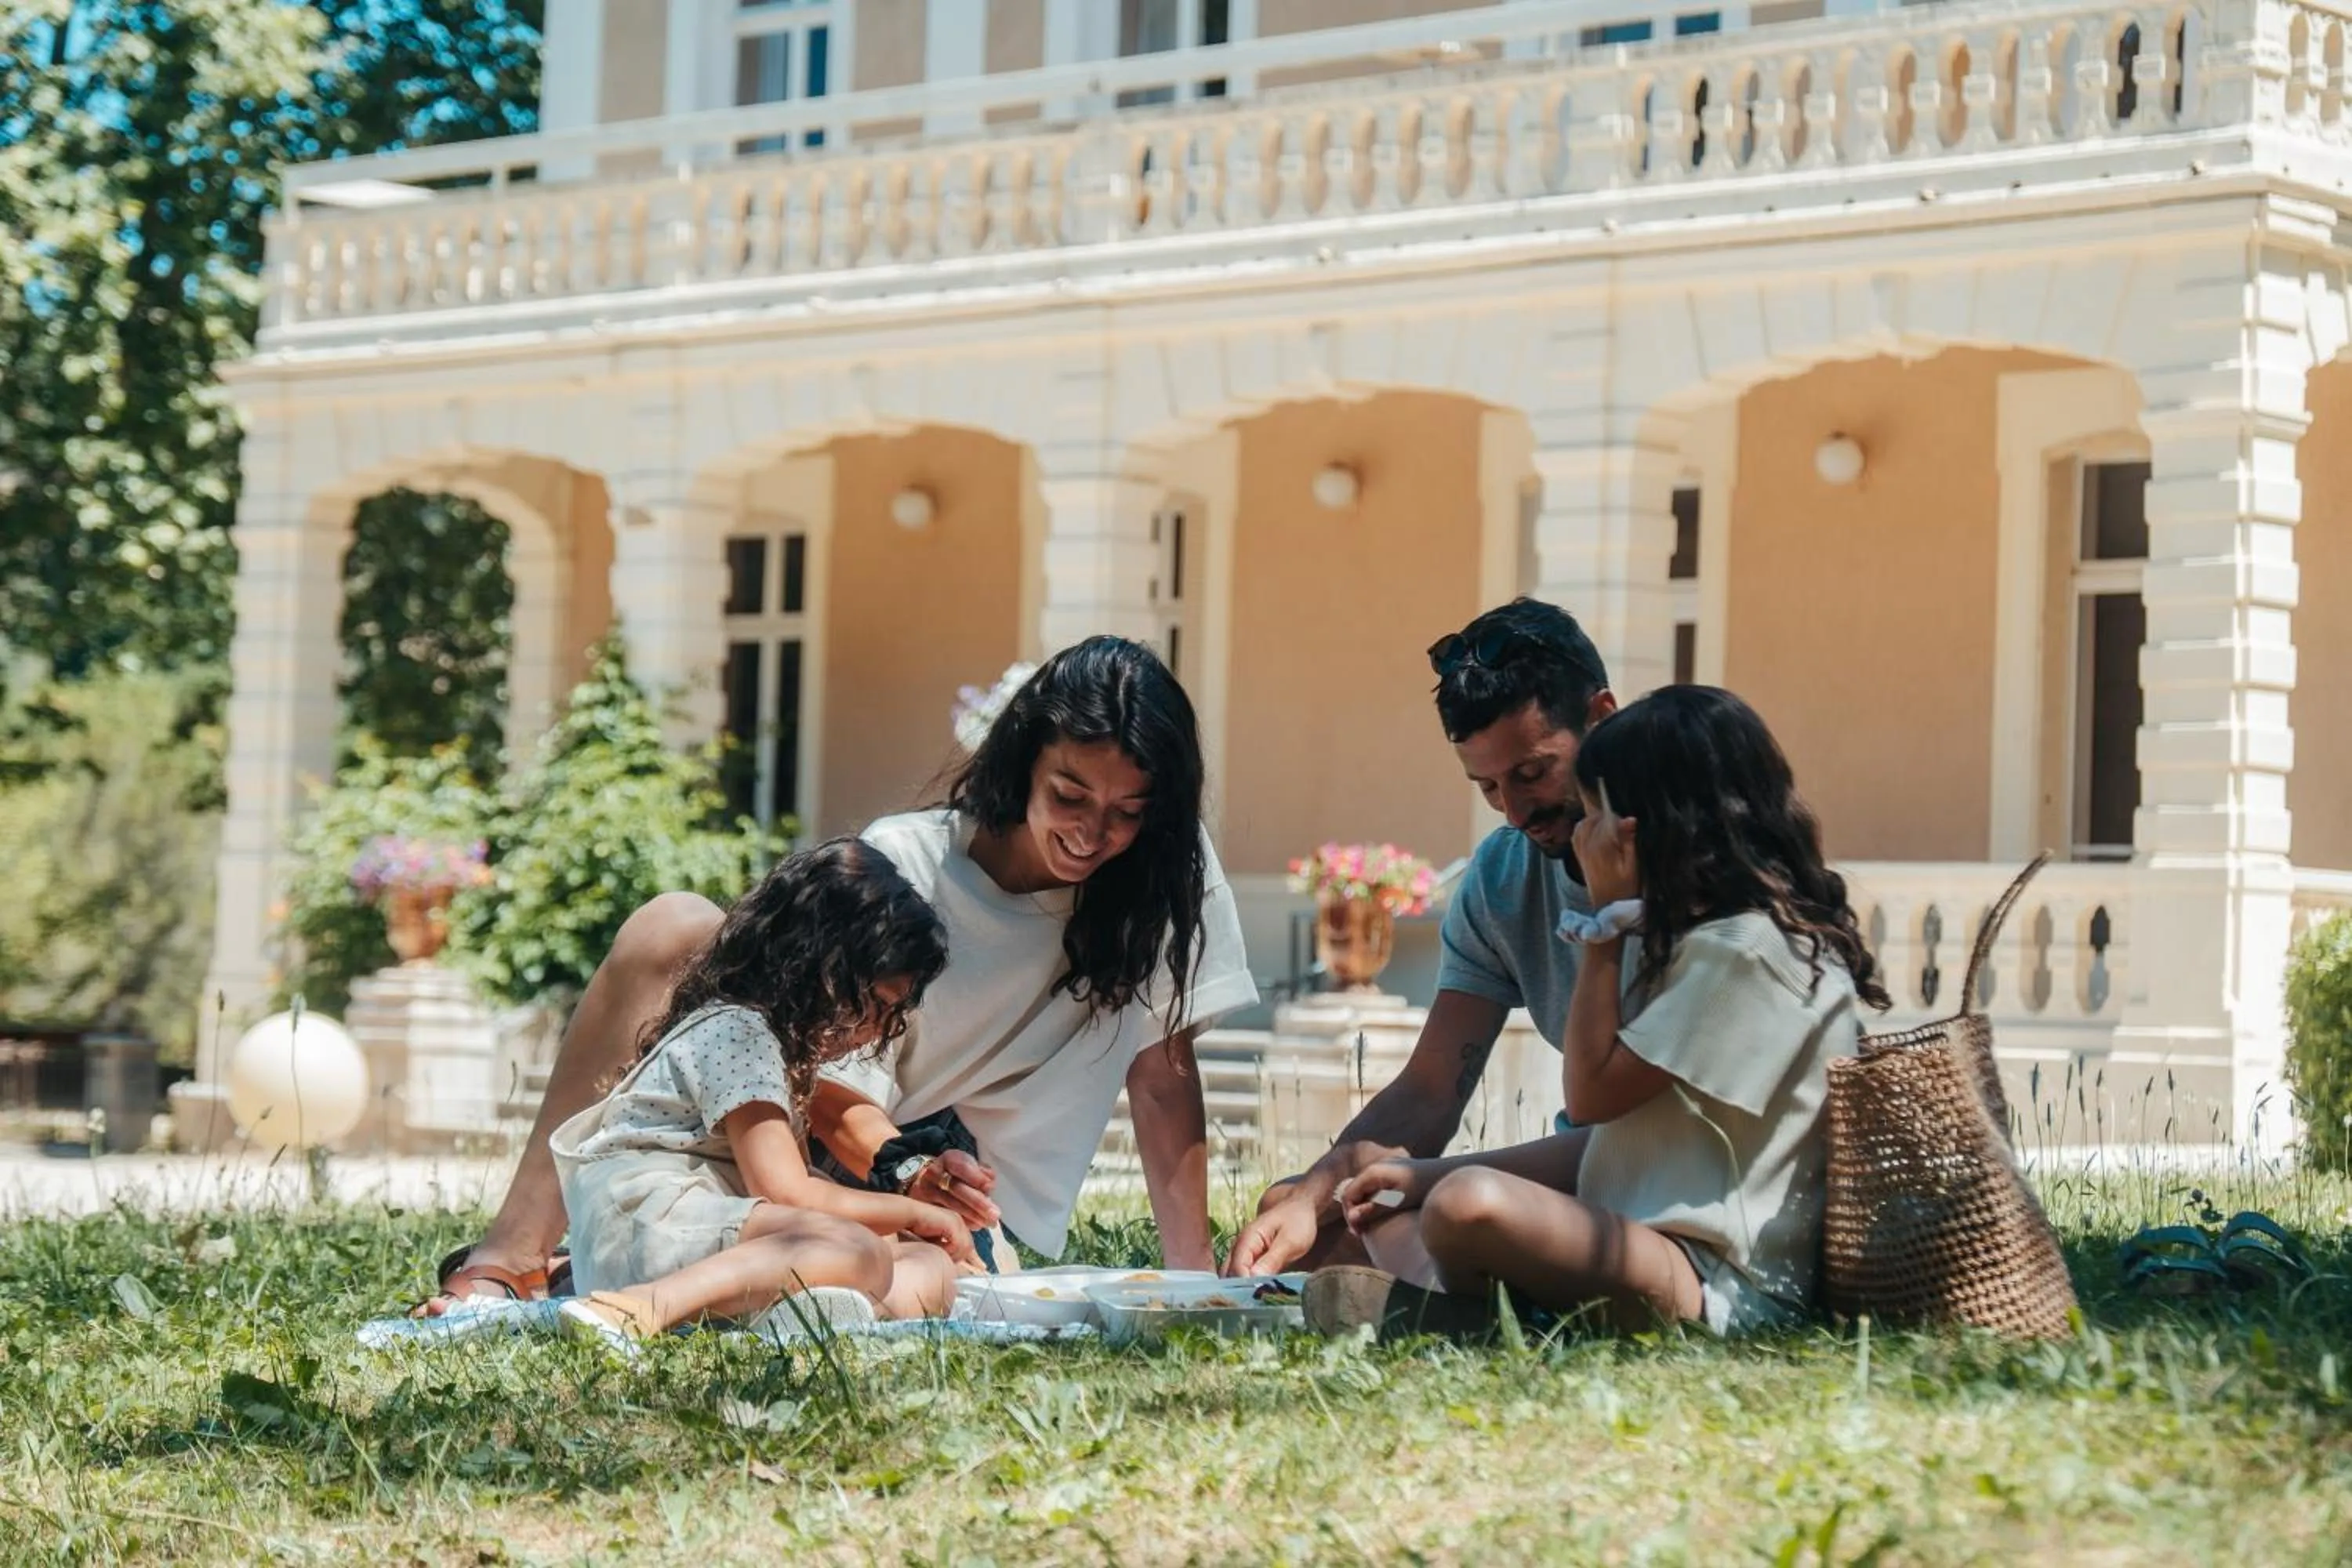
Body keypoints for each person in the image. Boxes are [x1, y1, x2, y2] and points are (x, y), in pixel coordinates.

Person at [417, 636, 1257, 1314]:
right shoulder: (903, 870)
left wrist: (1196, 1286)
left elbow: (1162, 1072)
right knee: (674, 927)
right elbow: (815, 1077)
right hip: (811, 1147)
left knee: (923, 1280)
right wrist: (900, 1174)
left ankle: (672, 1287)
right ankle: (510, 1259)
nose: (1092, 830)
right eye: (1069, 794)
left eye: (1126, 813)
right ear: (1024, 759)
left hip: (944, 1187)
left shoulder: (1163, 875)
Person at [1301, 685, 1887, 1338]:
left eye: (1594, 814)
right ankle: (1474, 1316)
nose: (1582, 835)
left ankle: (1462, 1315)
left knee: (1466, 1204)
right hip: (1624, 1236)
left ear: (1652, 823)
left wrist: (1603, 931)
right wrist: (1418, 1176)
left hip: (1712, 1281)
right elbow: (1608, 1145)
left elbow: (1590, 1097)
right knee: (1396, 1203)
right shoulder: (1703, 942)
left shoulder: (1745, 951)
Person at [1225, 597, 1617, 1280]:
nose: (1517, 813)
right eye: (1489, 788)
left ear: (1601, 720)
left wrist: (1427, 1180)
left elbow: (1652, 1141)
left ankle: (1449, 1299)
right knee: (1299, 1212)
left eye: (1532, 773)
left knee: (1457, 1206)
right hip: (1569, 1184)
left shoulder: (1682, 861)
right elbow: (1431, 1091)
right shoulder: (1501, 879)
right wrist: (1320, 1193)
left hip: (1652, 1188)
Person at [549, 838, 976, 1345]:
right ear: (807, 963)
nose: (871, 1031)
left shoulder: (778, 1056)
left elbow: (801, 1200)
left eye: (890, 1015)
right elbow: (787, 1193)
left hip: (713, 1241)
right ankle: (638, 1310)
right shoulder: (739, 1032)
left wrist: (916, 1239)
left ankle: (803, 1318)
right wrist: (913, 1211)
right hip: (647, 1232)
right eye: (871, 1004)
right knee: (856, 1249)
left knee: (925, 1265)